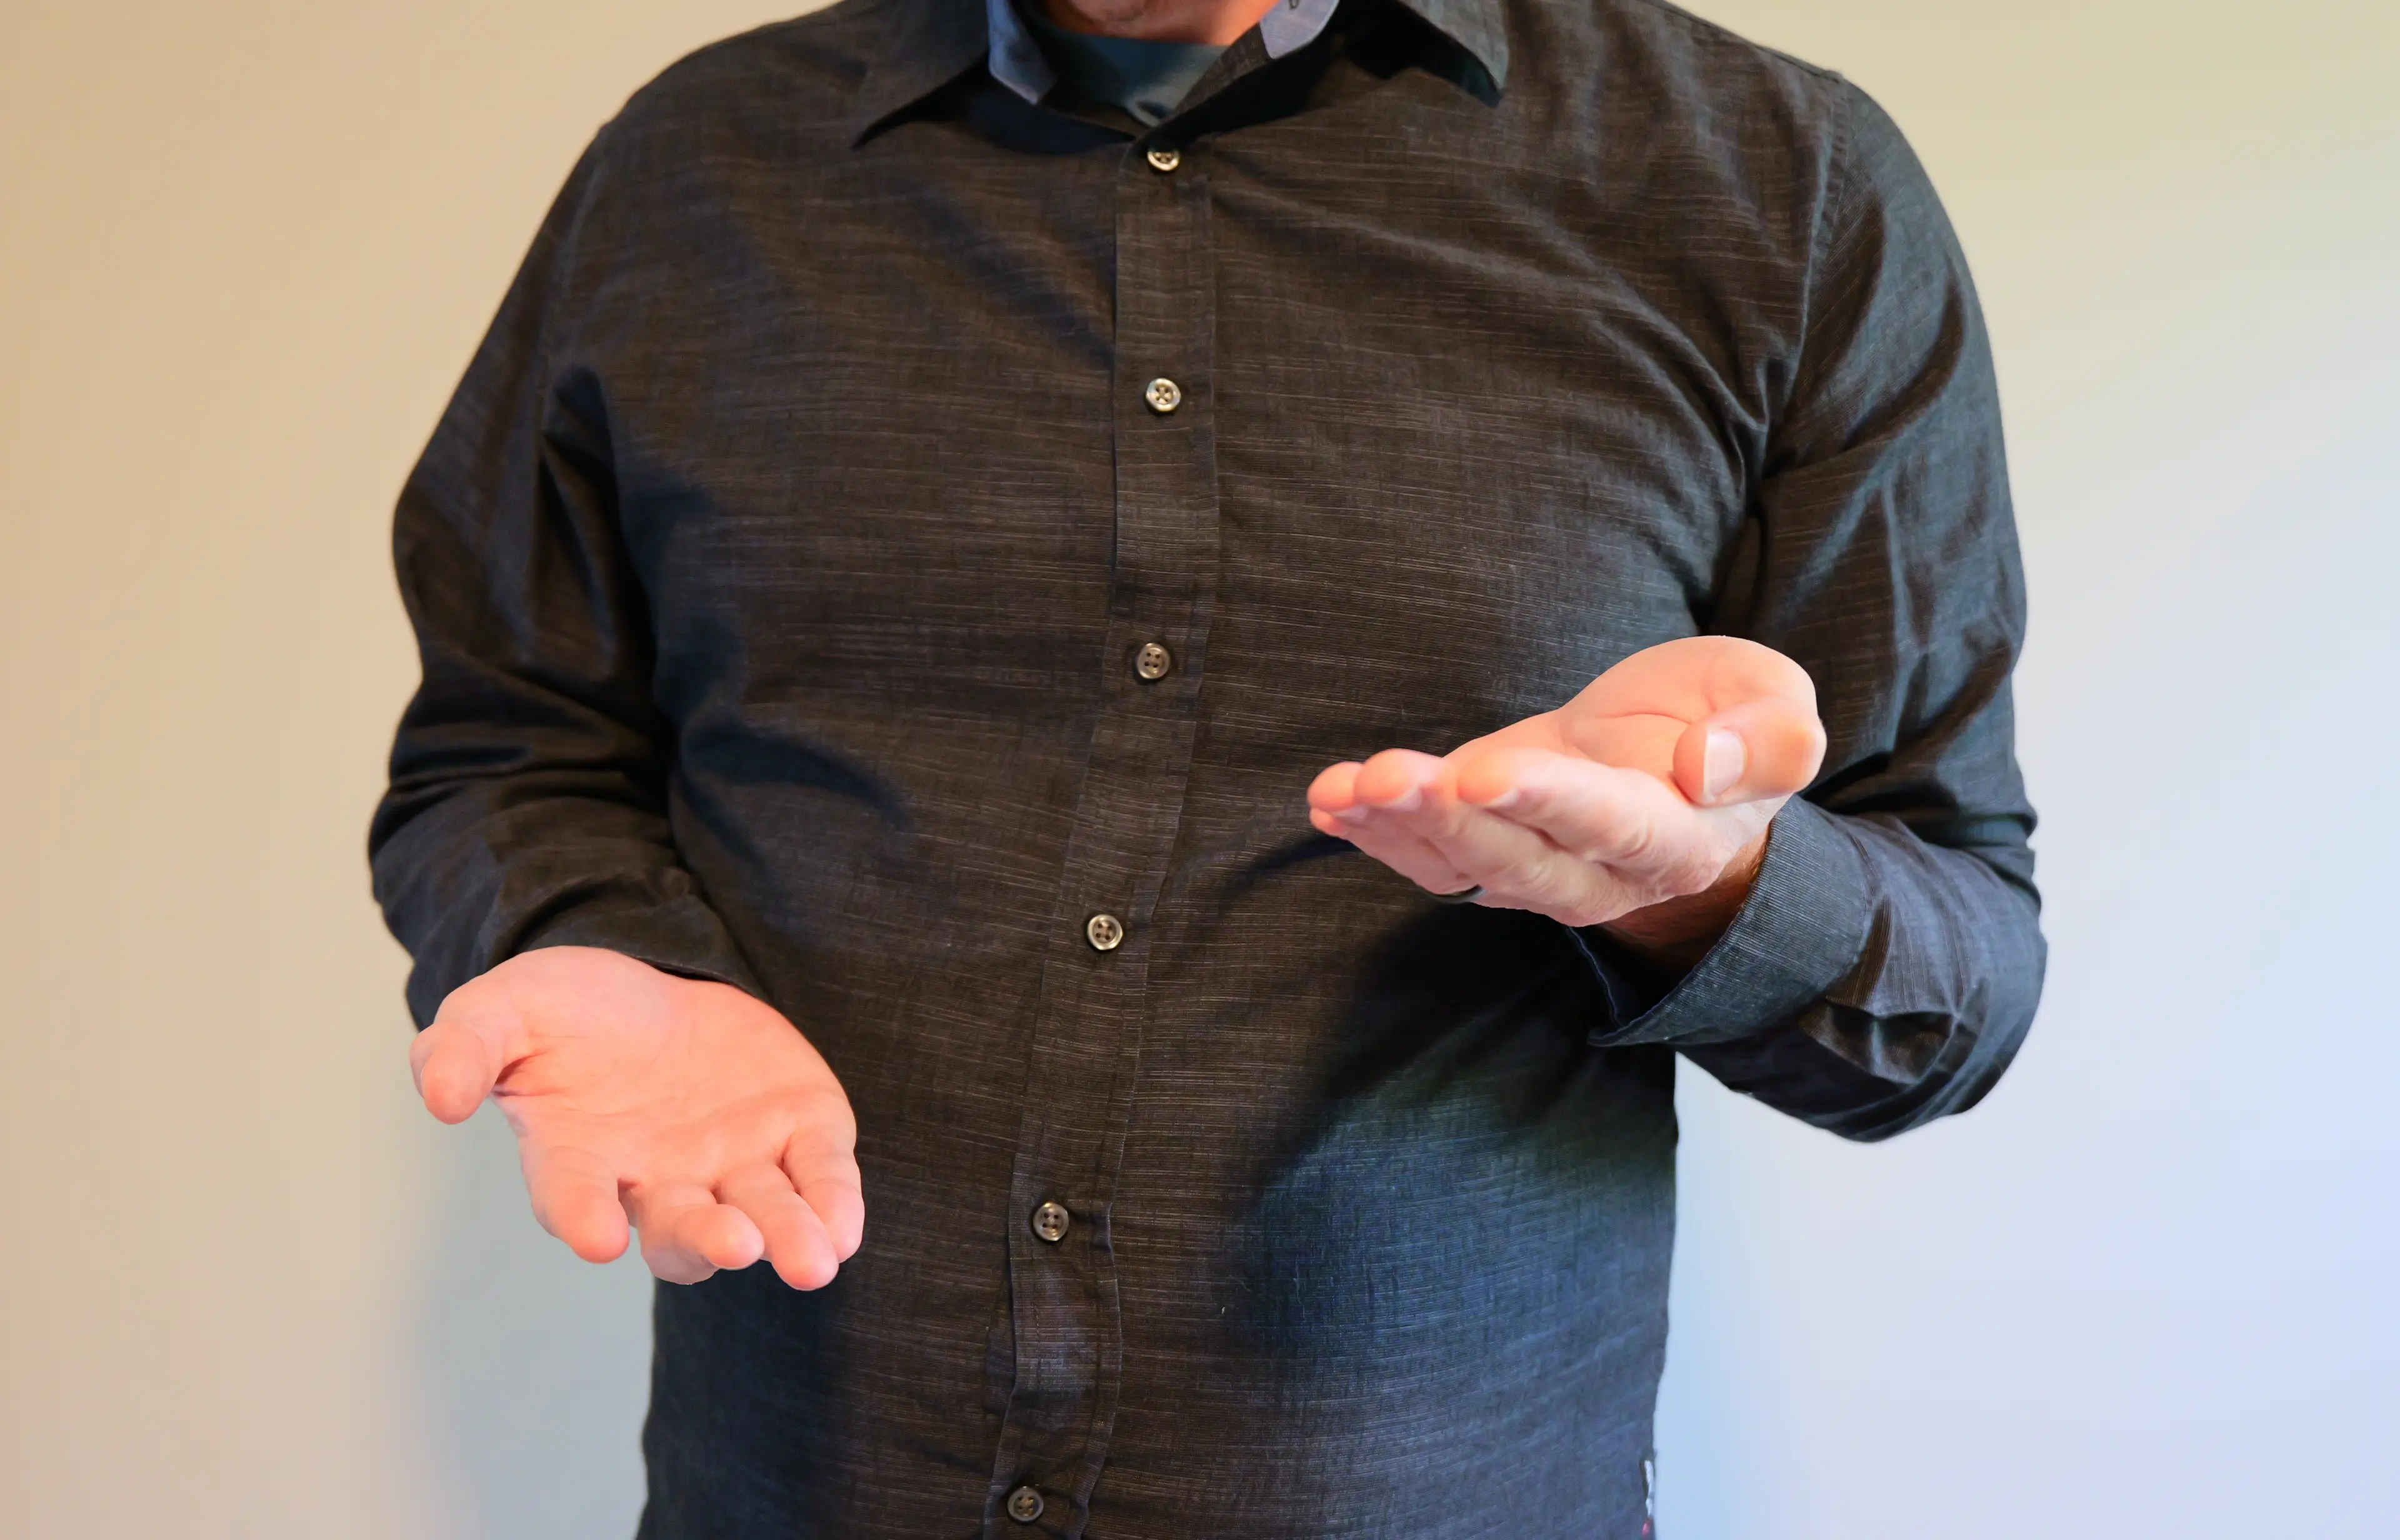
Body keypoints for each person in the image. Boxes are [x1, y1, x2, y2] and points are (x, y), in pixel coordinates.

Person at [371, 0, 2044, 1532]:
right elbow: (509, 747)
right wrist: (590, 940)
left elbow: (1953, 993)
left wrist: (1702, 888)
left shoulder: (1781, 186)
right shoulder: (693, 169)